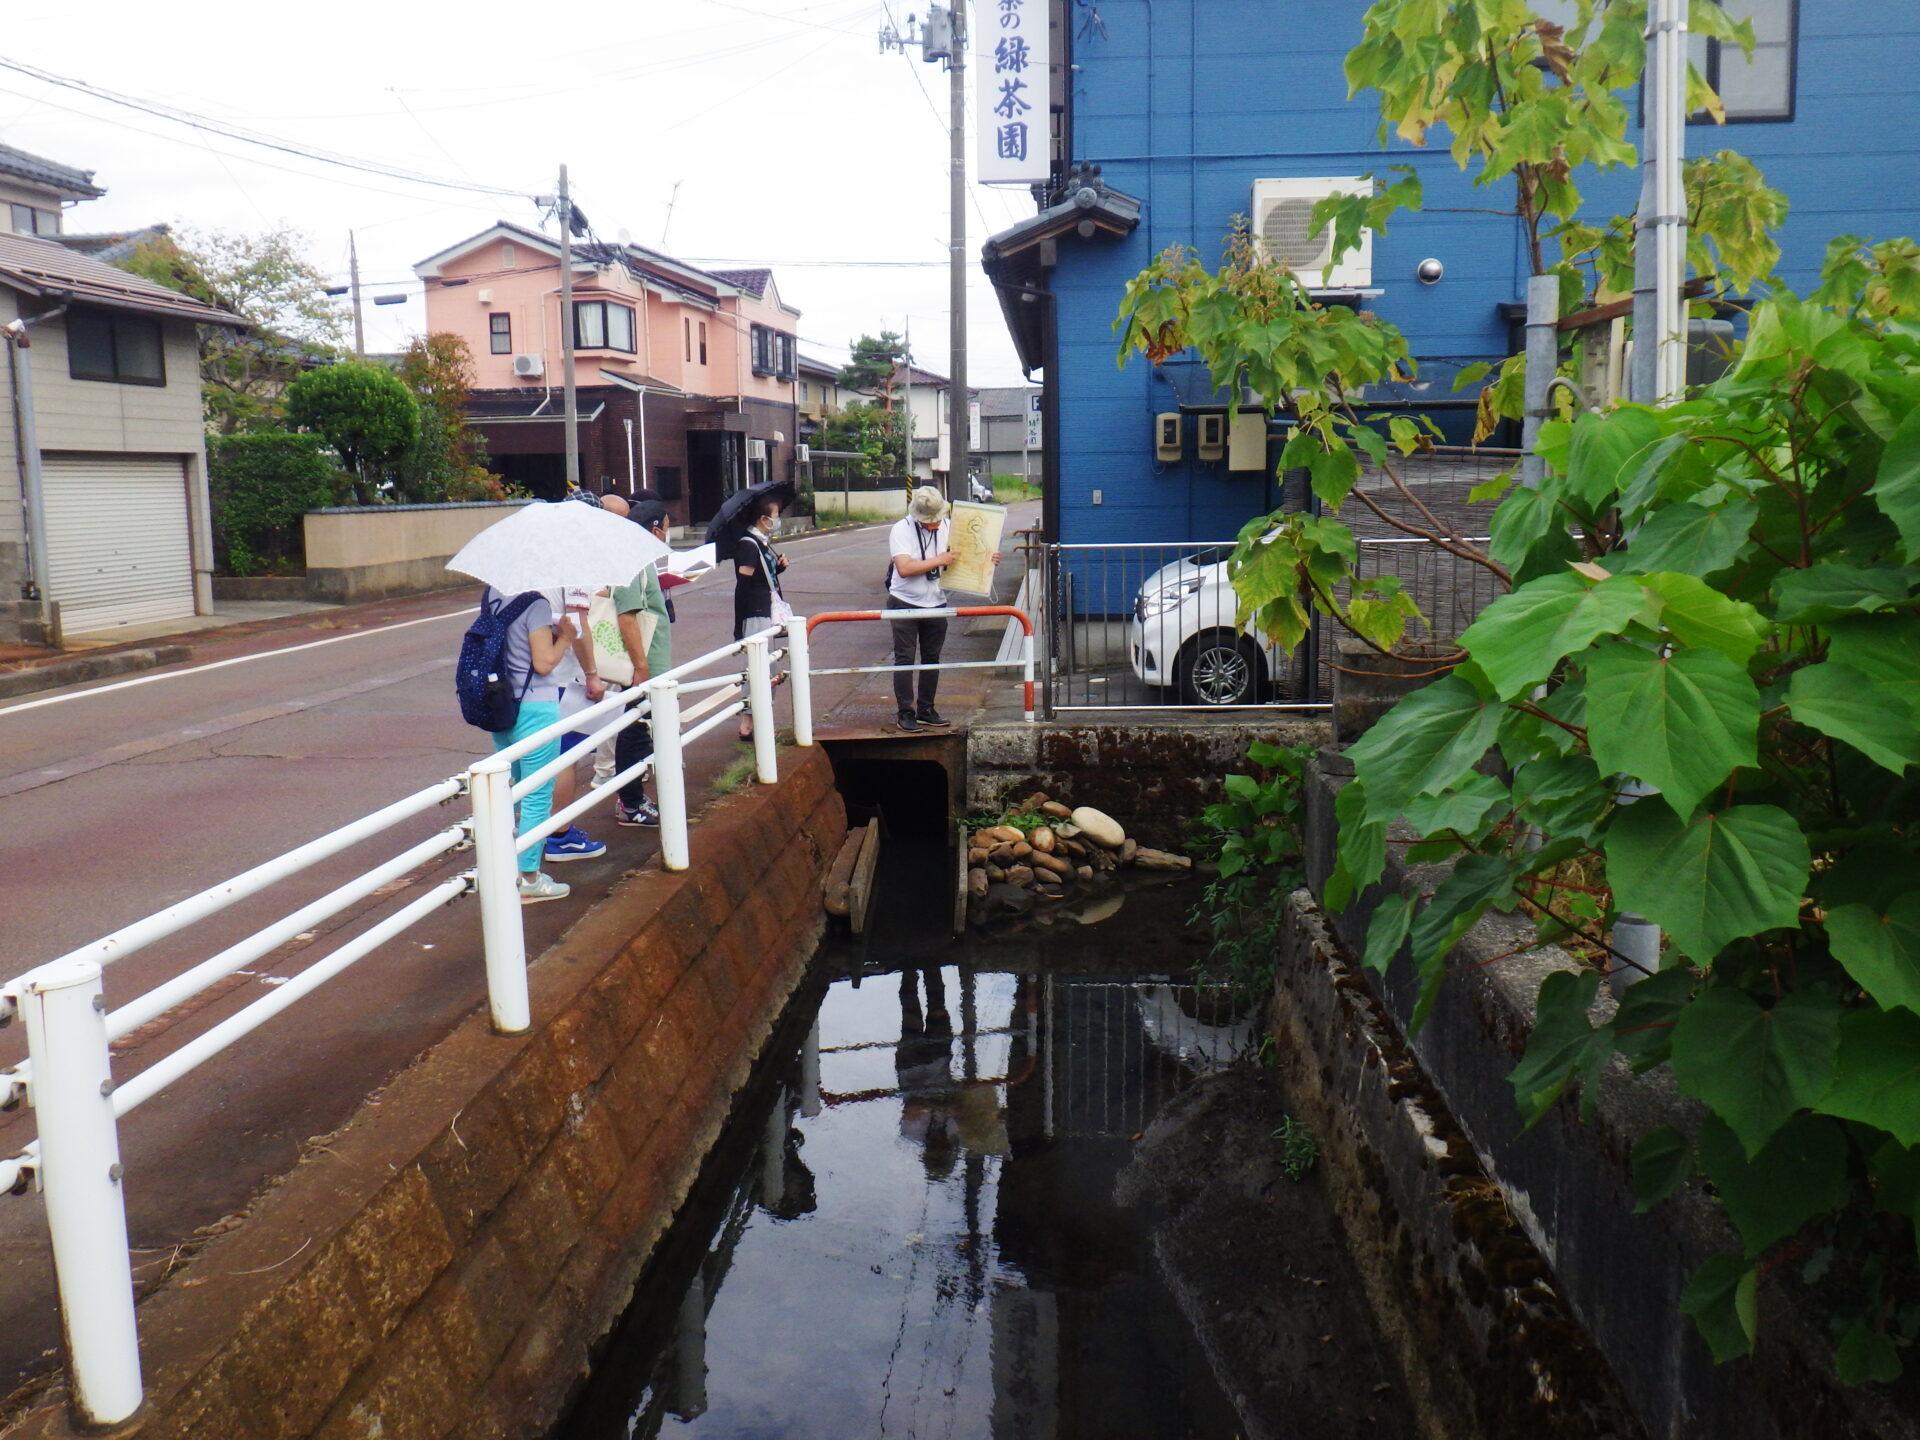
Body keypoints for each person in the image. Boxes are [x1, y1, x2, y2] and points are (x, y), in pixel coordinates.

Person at [479, 585, 578, 904]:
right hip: (536, 706)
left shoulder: (492, 595)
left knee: (512, 791)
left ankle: (503, 870)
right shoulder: (535, 604)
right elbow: (544, 663)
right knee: (537, 792)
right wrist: (564, 637)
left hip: (501, 704)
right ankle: (529, 878)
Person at [886, 486, 997, 733]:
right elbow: (904, 568)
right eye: (930, 521)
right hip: (904, 600)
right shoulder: (901, 529)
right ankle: (905, 711)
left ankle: (926, 709)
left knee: (931, 658)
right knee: (904, 658)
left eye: (937, 519)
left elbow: (964, 556)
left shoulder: (948, 525)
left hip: (936, 601)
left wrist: (988, 559)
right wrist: (939, 560)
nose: (935, 524)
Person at [611, 499, 674, 826]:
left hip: (651, 664)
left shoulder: (640, 559)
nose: (668, 533)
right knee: (635, 730)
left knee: (642, 729)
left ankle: (634, 798)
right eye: (666, 526)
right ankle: (630, 803)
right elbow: (627, 616)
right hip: (645, 666)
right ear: (654, 529)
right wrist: (642, 666)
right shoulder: (632, 561)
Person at [732, 495, 788, 740]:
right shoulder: (748, 544)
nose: (778, 520)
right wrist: (738, 624)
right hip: (755, 613)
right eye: (776, 516)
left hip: (764, 610)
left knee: (767, 666)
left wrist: (780, 568)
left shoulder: (762, 542)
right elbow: (742, 586)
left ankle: (757, 719)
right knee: (757, 668)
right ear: (763, 519)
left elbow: (761, 578)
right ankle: (748, 722)